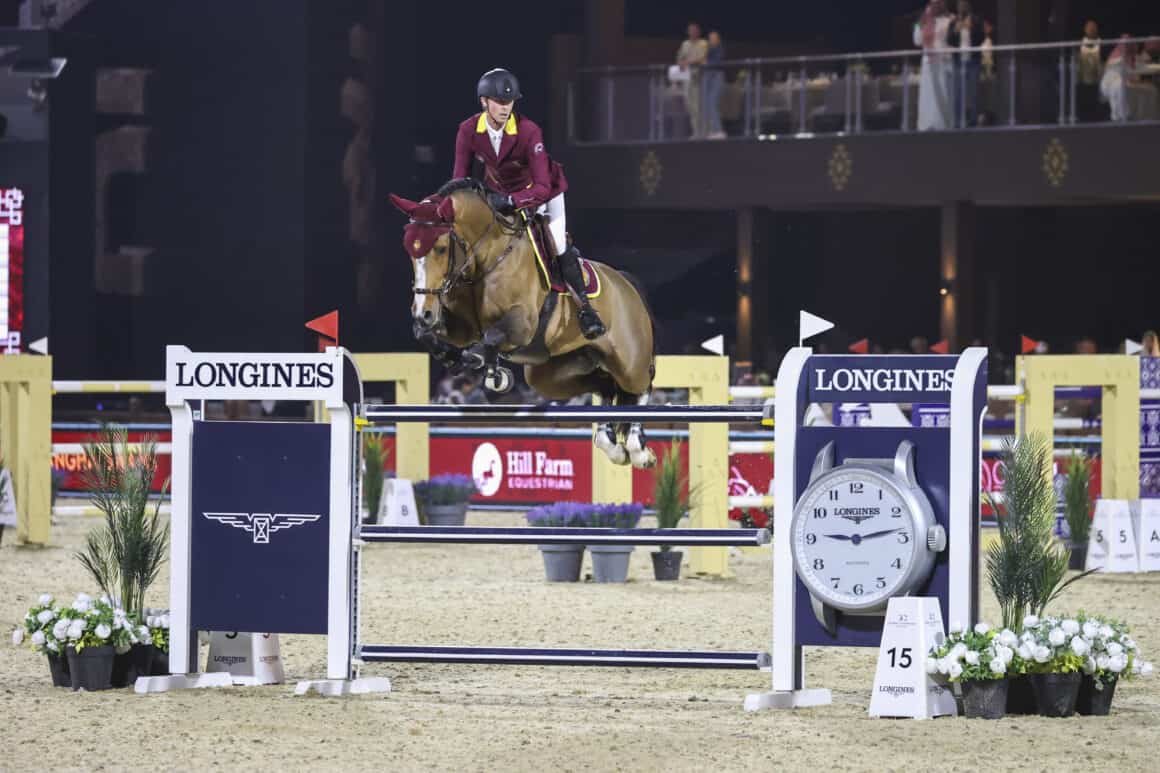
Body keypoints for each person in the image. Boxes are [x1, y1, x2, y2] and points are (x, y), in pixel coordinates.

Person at [452, 68, 605, 339]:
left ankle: (586, 309)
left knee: (556, 242)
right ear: (484, 102)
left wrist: (512, 201)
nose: (505, 108)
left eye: (509, 102)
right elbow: (460, 180)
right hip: (499, 195)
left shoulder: (528, 130)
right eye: (499, 102)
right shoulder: (467, 130)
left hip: (542, 193)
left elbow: (543, 185)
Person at [913, 0, 954, 131]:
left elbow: (951, 41)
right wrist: (919, 24)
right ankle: (926, 125)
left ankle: (943, 125)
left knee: (943, 95)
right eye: (932, 3)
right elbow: (917, 41)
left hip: (943, 63)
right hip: (928, 64)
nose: (935, 6)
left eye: (938, 3)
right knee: (928, 97)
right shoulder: (924, 21)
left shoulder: (949, 20)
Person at [947, 0, 983, 127]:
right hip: (958, 61)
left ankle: (973, 121)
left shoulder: (976, 20)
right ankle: (957, 122)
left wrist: (971, 28)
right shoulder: (953, 22)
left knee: (974, 92)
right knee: (957, 93)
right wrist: (956, 31)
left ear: (968, 6)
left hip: (973, 61)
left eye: (964, 4)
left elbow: (981, 38)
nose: (962, 7)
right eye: (959, 5)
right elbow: (949, 40)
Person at [676, 23, 709, 138]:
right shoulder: (685, 44)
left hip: (700, 79)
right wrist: (681, 63)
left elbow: (703, 58)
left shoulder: (703, 43)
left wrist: (689, 62)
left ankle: (704, 132)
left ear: (698, 32)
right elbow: (680, 58)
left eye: (695, 30)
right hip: (687, 79)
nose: (693, 32)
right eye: (690, 30)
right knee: (690, 106)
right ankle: (696, 132)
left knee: (700, 106)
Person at [703, 30, 726, 139]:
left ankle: (719, 130)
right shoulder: (707, 49)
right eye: (710, 38)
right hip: (708, 76)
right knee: (707, 104)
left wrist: (706, 62)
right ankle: (712, 130)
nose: (712, 40)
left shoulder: (719, 49)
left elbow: (716, 61)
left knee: (712, 102)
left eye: (714, 38)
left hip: (716, 76)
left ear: (718, 39)